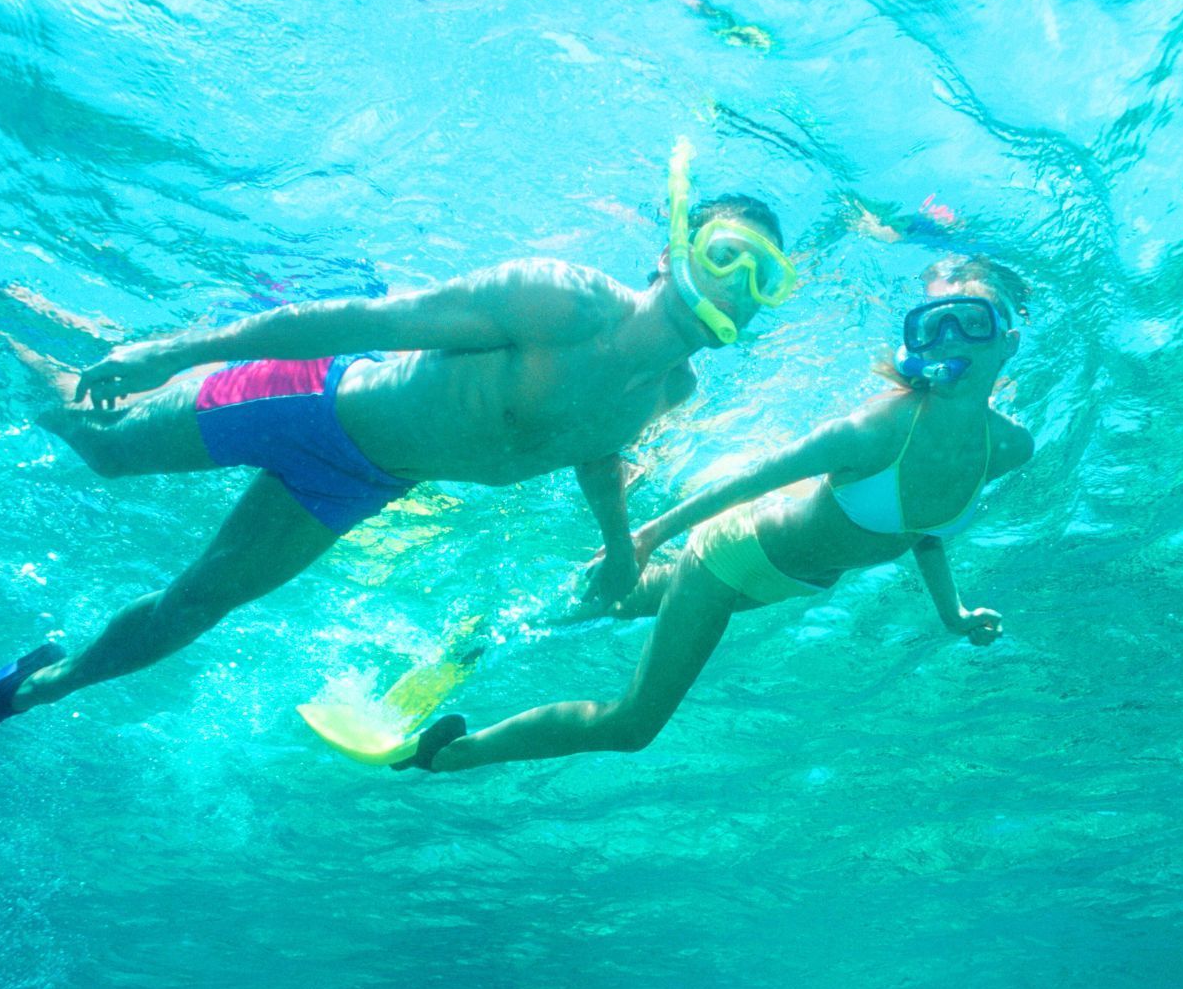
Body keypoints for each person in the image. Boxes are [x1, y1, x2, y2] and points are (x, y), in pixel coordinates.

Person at [0, 142, 796, 747]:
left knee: (198, 605)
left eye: (762, 280)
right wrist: (173, 349)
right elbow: (357, 321)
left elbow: (593, 453)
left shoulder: (673, 389)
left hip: (363, 478)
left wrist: (621, 546)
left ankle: (27, 690)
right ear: (672, 248)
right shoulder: (559, 298)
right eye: (723, 257)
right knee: (97, 442)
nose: (733, 288)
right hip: (308, 398)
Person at [403, 256, 1035, 773]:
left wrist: (952, 613)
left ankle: (484, 633)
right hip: (729, 559)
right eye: (933, 325)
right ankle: (452, 755)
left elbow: (923, 530)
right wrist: (645, 536)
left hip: (782, 582)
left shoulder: (1007, 448)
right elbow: (752, 478)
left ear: (1006, 343)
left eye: (969, 322)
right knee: (632, 726)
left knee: (602, 604)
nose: (949, 338)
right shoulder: (878, 429)